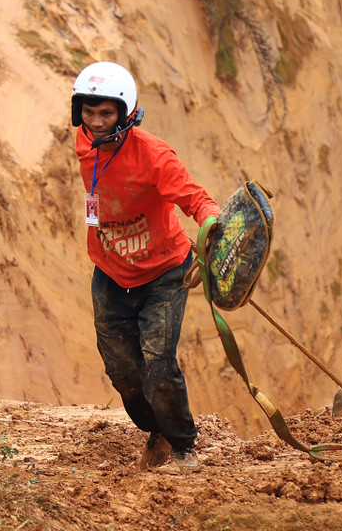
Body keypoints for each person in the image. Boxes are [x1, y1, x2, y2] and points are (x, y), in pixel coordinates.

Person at [71, 61, 220, 474]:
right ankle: (156, 432)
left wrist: (212, 223)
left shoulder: (154, 155)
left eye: (106, 113)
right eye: (89, 111)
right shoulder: (84, 144)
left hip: (164, 271)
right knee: (121, 369)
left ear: (126, 112)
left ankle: (184, 447)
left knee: (157, 360)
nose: (97, 123)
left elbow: (194, 197)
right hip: (111, 268)